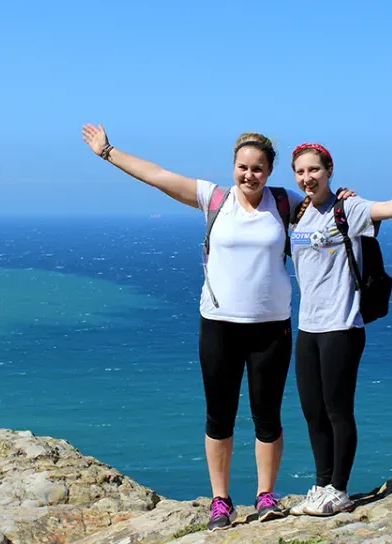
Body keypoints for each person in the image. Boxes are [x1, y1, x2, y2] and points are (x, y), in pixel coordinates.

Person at [81, 124, 305, 531]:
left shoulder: (286, 203)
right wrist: (107, 151)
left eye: (257, 168)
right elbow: (158, 176)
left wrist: (350, 197)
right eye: (242, 166)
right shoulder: (214, 198)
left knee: (267, 416)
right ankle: (221, 501)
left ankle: (266, 496)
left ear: (270, 171)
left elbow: (329, 206)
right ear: (233, 166)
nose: (249, 175)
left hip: (271, 327)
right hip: (219, 325)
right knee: (219, 416)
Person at [285, 142, 392, 516]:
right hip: (309, 327)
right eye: (300, 171)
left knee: (337, 410)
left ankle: (340, 489)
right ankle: (321, 485)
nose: (306, 177)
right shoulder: (298, 215)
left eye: (314, 170)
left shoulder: (350, 207)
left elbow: (389, 207)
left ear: (329, 170)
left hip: (343, 324)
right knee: (312, 411)